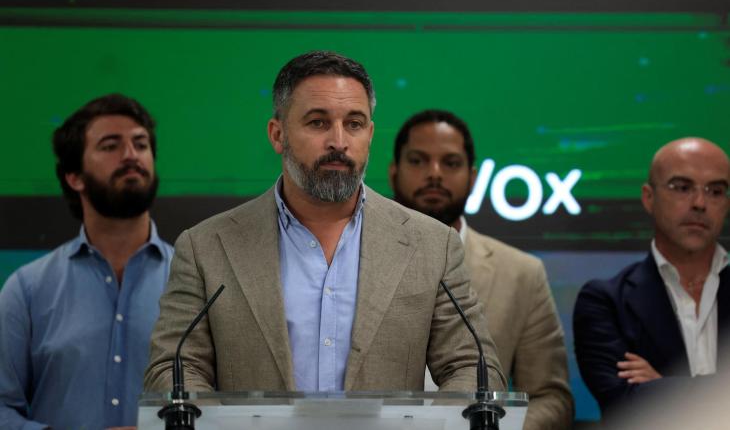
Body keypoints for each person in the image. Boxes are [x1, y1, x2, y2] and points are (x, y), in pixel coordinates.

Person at [144, 51, 505, 394]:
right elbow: (173, 369)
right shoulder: (207, 247)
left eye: (354, 124)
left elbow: (473, 368)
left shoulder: (433, 245)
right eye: (318, 122)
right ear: (277, 134)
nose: (338, 141)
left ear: (370, 135)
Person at [389, 109, 573, 430]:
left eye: (451, 163)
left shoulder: (521, 273)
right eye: (418, 161)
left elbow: (551, 398)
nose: (434, 174)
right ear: (393, 173)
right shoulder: (353, 260)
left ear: (473, 178)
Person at [0, 94, 173, 429]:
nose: (131, 155)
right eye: (111, 146)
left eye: (140, 144)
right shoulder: (27, 289)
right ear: (74, 176)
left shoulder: (194, 282)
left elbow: (227, 404)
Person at [573, 137, 730, 421]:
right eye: (682, 187)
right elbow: (624, 407)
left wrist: (661, 387)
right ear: (649, 198)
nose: (700, 203)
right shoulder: (605, 302)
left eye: (716, 191)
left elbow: (649, 405)